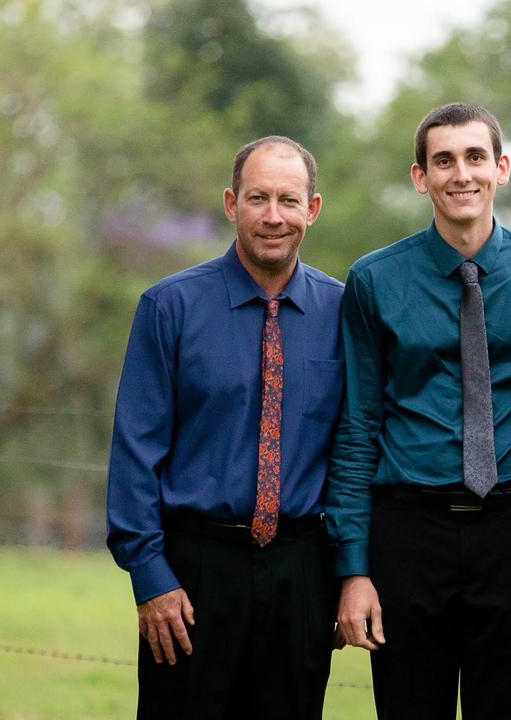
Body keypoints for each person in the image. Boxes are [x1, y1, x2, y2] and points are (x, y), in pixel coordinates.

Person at [326, 102, 511, 720]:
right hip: (408, 533)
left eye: (474, 158)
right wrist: (354, 569)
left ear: (502, 168)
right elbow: (358, 428)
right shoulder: (373, 281)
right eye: (443, 160)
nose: (460, 174)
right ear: (421, 177)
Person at [106, 136, 343, 719]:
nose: (272, 216)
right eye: (257, 197)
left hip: (302, 574)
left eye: (289, 200)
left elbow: (354, 447)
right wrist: (150, 577)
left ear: (312, 210)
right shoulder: (170, 308)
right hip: (192, 575)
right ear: (231, 203)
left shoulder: (345, 314)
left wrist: (347, 573)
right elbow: (136, 452)